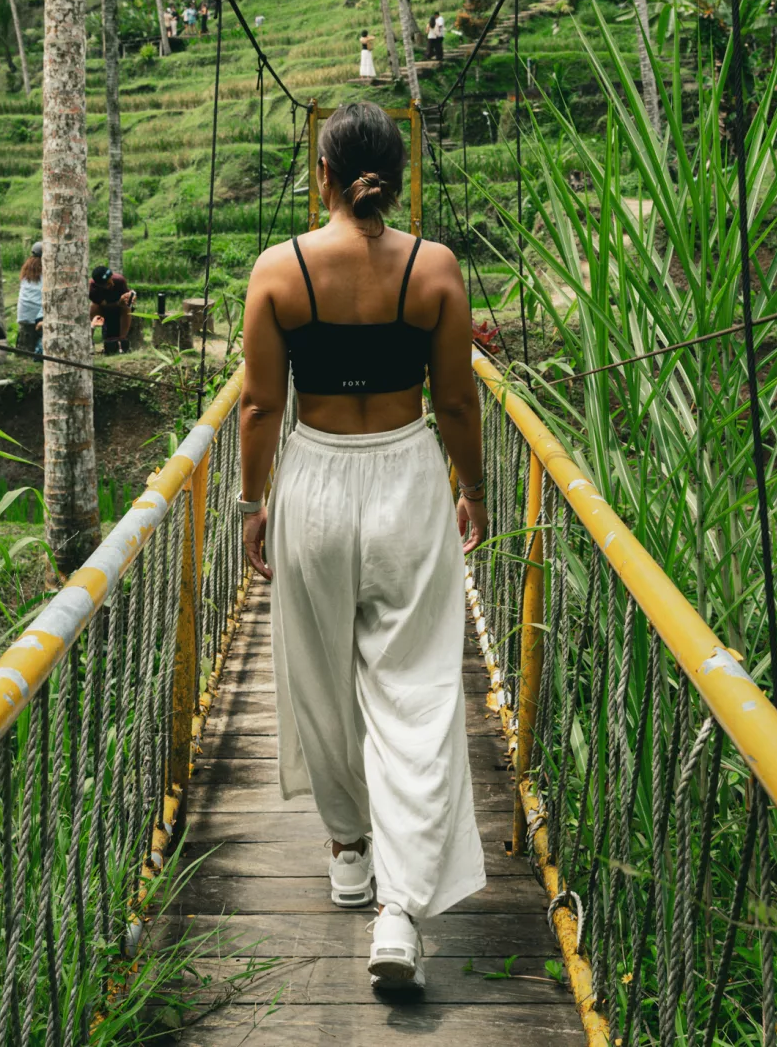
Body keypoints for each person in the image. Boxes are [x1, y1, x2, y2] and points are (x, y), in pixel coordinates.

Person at [238, 102, 488, 992]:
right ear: (399, 176)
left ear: (324, 176)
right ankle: (400, 912)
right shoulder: (434, 268)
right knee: (415, 690)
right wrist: (474, 487)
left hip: (312, 481)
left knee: (319, 674)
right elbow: (456, 401)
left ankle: (349, 850)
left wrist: (251, 504)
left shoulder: (279, 269)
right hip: (407, 481)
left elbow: (259, 405)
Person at [89, 265, 135, 355]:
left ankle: (122, 341)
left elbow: (127, 297)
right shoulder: (93, 289)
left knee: (126, 307)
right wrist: (119, 302)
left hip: (120, 309)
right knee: (94, 306)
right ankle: (89, 340)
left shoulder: (119, 280)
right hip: (105, 309)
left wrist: (130, 298)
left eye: (111, 280)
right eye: (108, 284)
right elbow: (105, 306)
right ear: (99, 285)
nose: (112, 284)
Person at [16, 242, 44, 355]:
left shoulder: (27, 269)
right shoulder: (47, 271)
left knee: (25, 351)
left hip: (23, 314)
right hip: (39, 316)